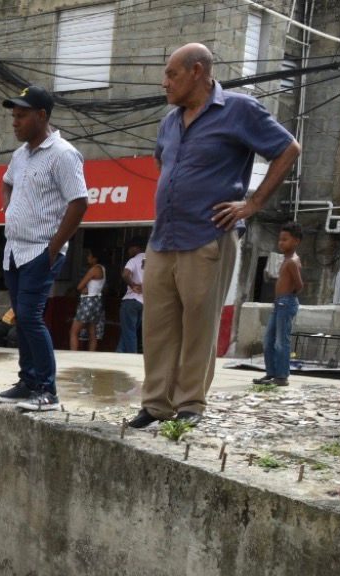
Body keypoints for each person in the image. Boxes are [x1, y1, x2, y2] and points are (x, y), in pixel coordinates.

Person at [128, 43, 301, 429]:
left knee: (198, 326)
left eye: (171, 74)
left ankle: (191, 404)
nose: (165, 82)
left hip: (209, 235)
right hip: (163, 236)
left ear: (197, 71)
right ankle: (155, 405)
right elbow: (163, 162)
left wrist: (252, 203)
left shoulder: (238, 109)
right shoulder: (169, 121)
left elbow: (288, 149)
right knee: (156, 327)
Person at [0, 85, 88, 413]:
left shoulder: (63, 154)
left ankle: (47, 390)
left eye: (21, 116)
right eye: (14, 116)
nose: (15, 122)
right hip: (14, 251)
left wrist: (55, 247)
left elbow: (79, 202)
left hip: (39, 251)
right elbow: (6, 181)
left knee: (31, 318)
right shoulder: (20, 156)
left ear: (42, 116)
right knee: (22, 318)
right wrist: (7, 206)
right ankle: (27, 382)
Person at [253, 222, 303, 387]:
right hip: (279, 303)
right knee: (268, 340)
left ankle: (282, 376)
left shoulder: (292, 262)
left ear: (296, 241)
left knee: (281, 341)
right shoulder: (286, 259)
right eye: (280, 239)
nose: (281, 243)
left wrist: (287, 297)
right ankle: (271, 373)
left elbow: (299, 285)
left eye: (285, 240)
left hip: (286, 302)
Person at [71, 249, 106, 351]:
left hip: (88, 301)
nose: (88, 258)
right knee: (92, 332)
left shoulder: (93, 269)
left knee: (74, 332)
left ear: (95, 258)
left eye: (90, 256)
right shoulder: (103, 269)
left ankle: (72, 355)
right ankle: (92, 356)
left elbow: (79, 286)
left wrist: (83, 288)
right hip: (97, 301)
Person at [117, 241, 145, 353]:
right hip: (144, 302)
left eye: (129, 249)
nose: (128, 252)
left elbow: (125, 274)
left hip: (131, 301)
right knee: (128, 332)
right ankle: (118, 354)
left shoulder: (133, 260)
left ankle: (132, 358)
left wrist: (132, 285)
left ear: (135, 248)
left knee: (129, 332)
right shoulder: (152, 260)